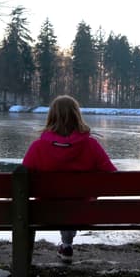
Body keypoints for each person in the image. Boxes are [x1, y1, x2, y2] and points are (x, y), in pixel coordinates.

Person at [22, 95, 117, 264]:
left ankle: (64, 245)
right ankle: (67, 244)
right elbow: (113, 177)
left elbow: (22, 180)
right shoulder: (91, 145)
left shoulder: (37, 147)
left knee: (58, 202)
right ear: (77, 116)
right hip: (84, 213)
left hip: (44, 213)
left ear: (51, 117)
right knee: (75, 202)